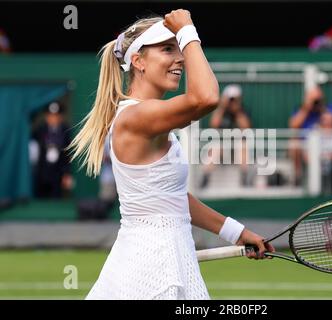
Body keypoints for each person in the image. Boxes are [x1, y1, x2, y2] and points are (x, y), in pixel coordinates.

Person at [68, 10, 274, 300]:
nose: (180, 58)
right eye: (167, 49)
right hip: (151, 268)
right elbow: (206, 98)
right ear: (138, 61)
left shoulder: (148, 117)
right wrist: (188, 31)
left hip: (161, 259)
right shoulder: (138, 116)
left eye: (178, 48)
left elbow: (173, 199)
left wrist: (236, 232)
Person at [200, 84, 253, 188]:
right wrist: (222, 106)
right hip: (223, 147)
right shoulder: (221, 112)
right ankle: (205, 177)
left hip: (236, 147)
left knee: (242, 145)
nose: (232, 102)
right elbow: (214, 124)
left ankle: (244, 177)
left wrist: (237, 110)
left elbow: (246, 127)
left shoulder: (243, 112)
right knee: (215, 147)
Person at [288, 85, 332, 186]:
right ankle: (298, 176)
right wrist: (307, 108)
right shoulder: (301, 109)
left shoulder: (329, 107)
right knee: (293, 143)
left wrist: (321, 107)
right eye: (313, 98)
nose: (315, 101)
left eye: (317, 98)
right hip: (305, 146)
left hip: (327, 143)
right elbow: (293, 125)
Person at [31, 101, 73, 198]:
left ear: (60, 117)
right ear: (46, 117)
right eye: (51, 116)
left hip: (59, 173)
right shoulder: (39, 131)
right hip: (42, 173)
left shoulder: (66, 131)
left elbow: (69, 154)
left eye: (56, 116)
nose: (53, 119)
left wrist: (67, 173)